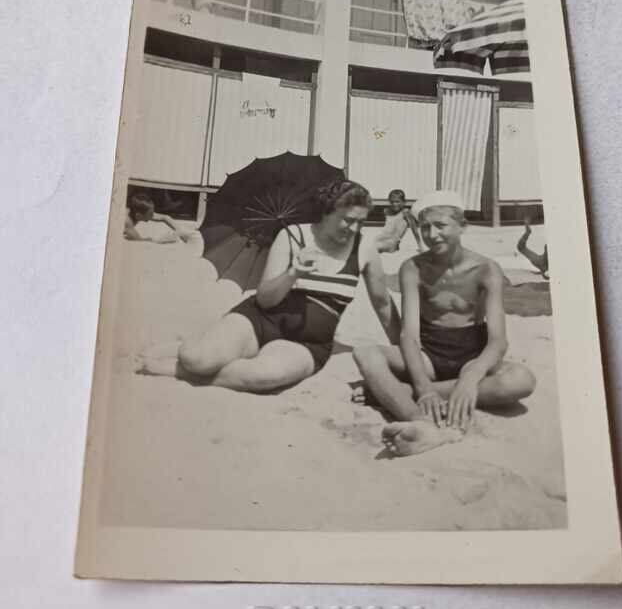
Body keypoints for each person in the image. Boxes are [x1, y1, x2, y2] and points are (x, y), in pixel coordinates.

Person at [136, 179, 398, 392]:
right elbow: (265, 299)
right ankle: (193, 352)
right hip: (260, 320)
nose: (354, 228)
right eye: (347, 219)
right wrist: (294, 273)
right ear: (327, 212)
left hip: (307, 343)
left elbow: (383, 304)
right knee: (199, 360)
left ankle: (179, 370)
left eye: (361, 221)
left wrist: (404, 351)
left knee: (260, 377)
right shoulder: (293, 235)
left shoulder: (364, 249)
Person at [354, 190, 536, 457]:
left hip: (471, 357)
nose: (432, 234)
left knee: (522, 381)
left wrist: (470, 379)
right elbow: (409, 335)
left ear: (462, 226)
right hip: (428, 355)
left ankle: (394, 393)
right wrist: (424, 387)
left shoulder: (487, 269)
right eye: (425, 227)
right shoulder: (413, 268)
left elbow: (498, 341)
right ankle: (422, 421)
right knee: (365, 353)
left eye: (441, 225)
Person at [124, 192, 195, 246]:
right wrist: (166, 239)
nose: (153, 215)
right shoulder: (127, 223)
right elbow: (140, 242)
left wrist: (183, 233)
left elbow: (164, 217)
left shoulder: (136, 212)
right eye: (150, 214)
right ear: (139, 216)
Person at [376, 188, 424, 254]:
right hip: (382, 239)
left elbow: (414, 230)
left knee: (371, 248)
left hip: (391, 243)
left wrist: (420, 246)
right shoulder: (387, 211)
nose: (394, 204)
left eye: (397, 201)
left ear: (404, 202)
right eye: (392, 202)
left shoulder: (405, 212)